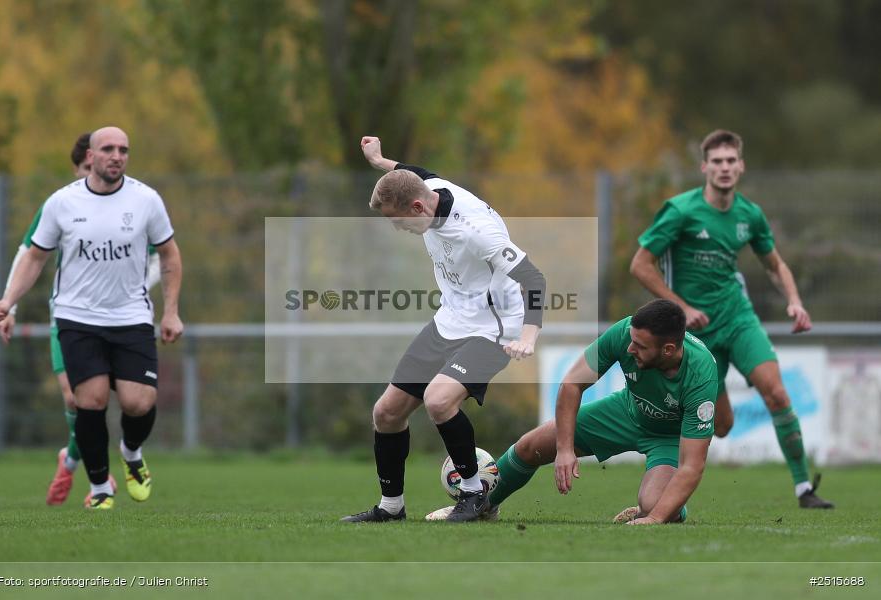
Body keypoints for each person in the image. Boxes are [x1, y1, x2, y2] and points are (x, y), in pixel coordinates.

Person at [341, 136, 546, 523]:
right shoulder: (427, 189)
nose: (397, 228)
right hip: (450, 320)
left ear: (417, 207)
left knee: (439, 400)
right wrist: (380, 160)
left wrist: (528, 335)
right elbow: (413, 173)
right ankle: (391, 507)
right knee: (386, 413)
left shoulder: (477, 231)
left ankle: (474, 494)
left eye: (398, 220)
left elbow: (533, 279)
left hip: (494, 329)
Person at [630, 129, 833, 508]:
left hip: (738, 319)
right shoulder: (681, 211)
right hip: (697, 334)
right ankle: (664, 480)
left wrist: (794, 301)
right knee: (721, 426)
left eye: (730, 161)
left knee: (777, 392)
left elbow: (775, 265)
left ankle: (804, 489)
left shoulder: (749, 214)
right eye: (717, 161)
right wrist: (681, 308)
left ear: (741, 166)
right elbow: (641, 264)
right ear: (704, 167)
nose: (724, 167)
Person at [0, 126, 183, 510]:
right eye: (108, 149)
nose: (117, 156)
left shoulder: (146, 200)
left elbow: (169, 254)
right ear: (90, 157)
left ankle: (131, 452)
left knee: (139, 403)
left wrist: (171, 312)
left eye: (123, 149)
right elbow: (34, 256)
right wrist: (8, 301)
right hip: (77, 317)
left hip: (131, 316)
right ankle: (99, 488)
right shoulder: (62, 202)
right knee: (88, 401)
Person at [428, 299, 716, 525]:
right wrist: (564, 449)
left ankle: (671, 508)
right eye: (631, 340)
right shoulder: (625, 333)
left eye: (640, 346)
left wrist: (654, 518)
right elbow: (572, 383)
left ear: (668, 350)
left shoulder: (701, 374)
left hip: (667, 437)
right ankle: (483, 506)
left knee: (654, 506)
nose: (630, 348)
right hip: (626, 411)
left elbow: (692, 466)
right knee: (530, 447)